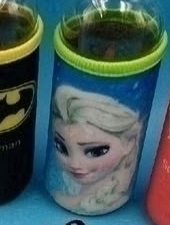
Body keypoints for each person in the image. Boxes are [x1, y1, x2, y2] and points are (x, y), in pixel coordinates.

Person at [49, 85, 142, 214]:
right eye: (61, 147)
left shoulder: (119, 193)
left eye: (95, 152)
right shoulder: (64, 184)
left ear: (128, 143)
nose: (75, 164)